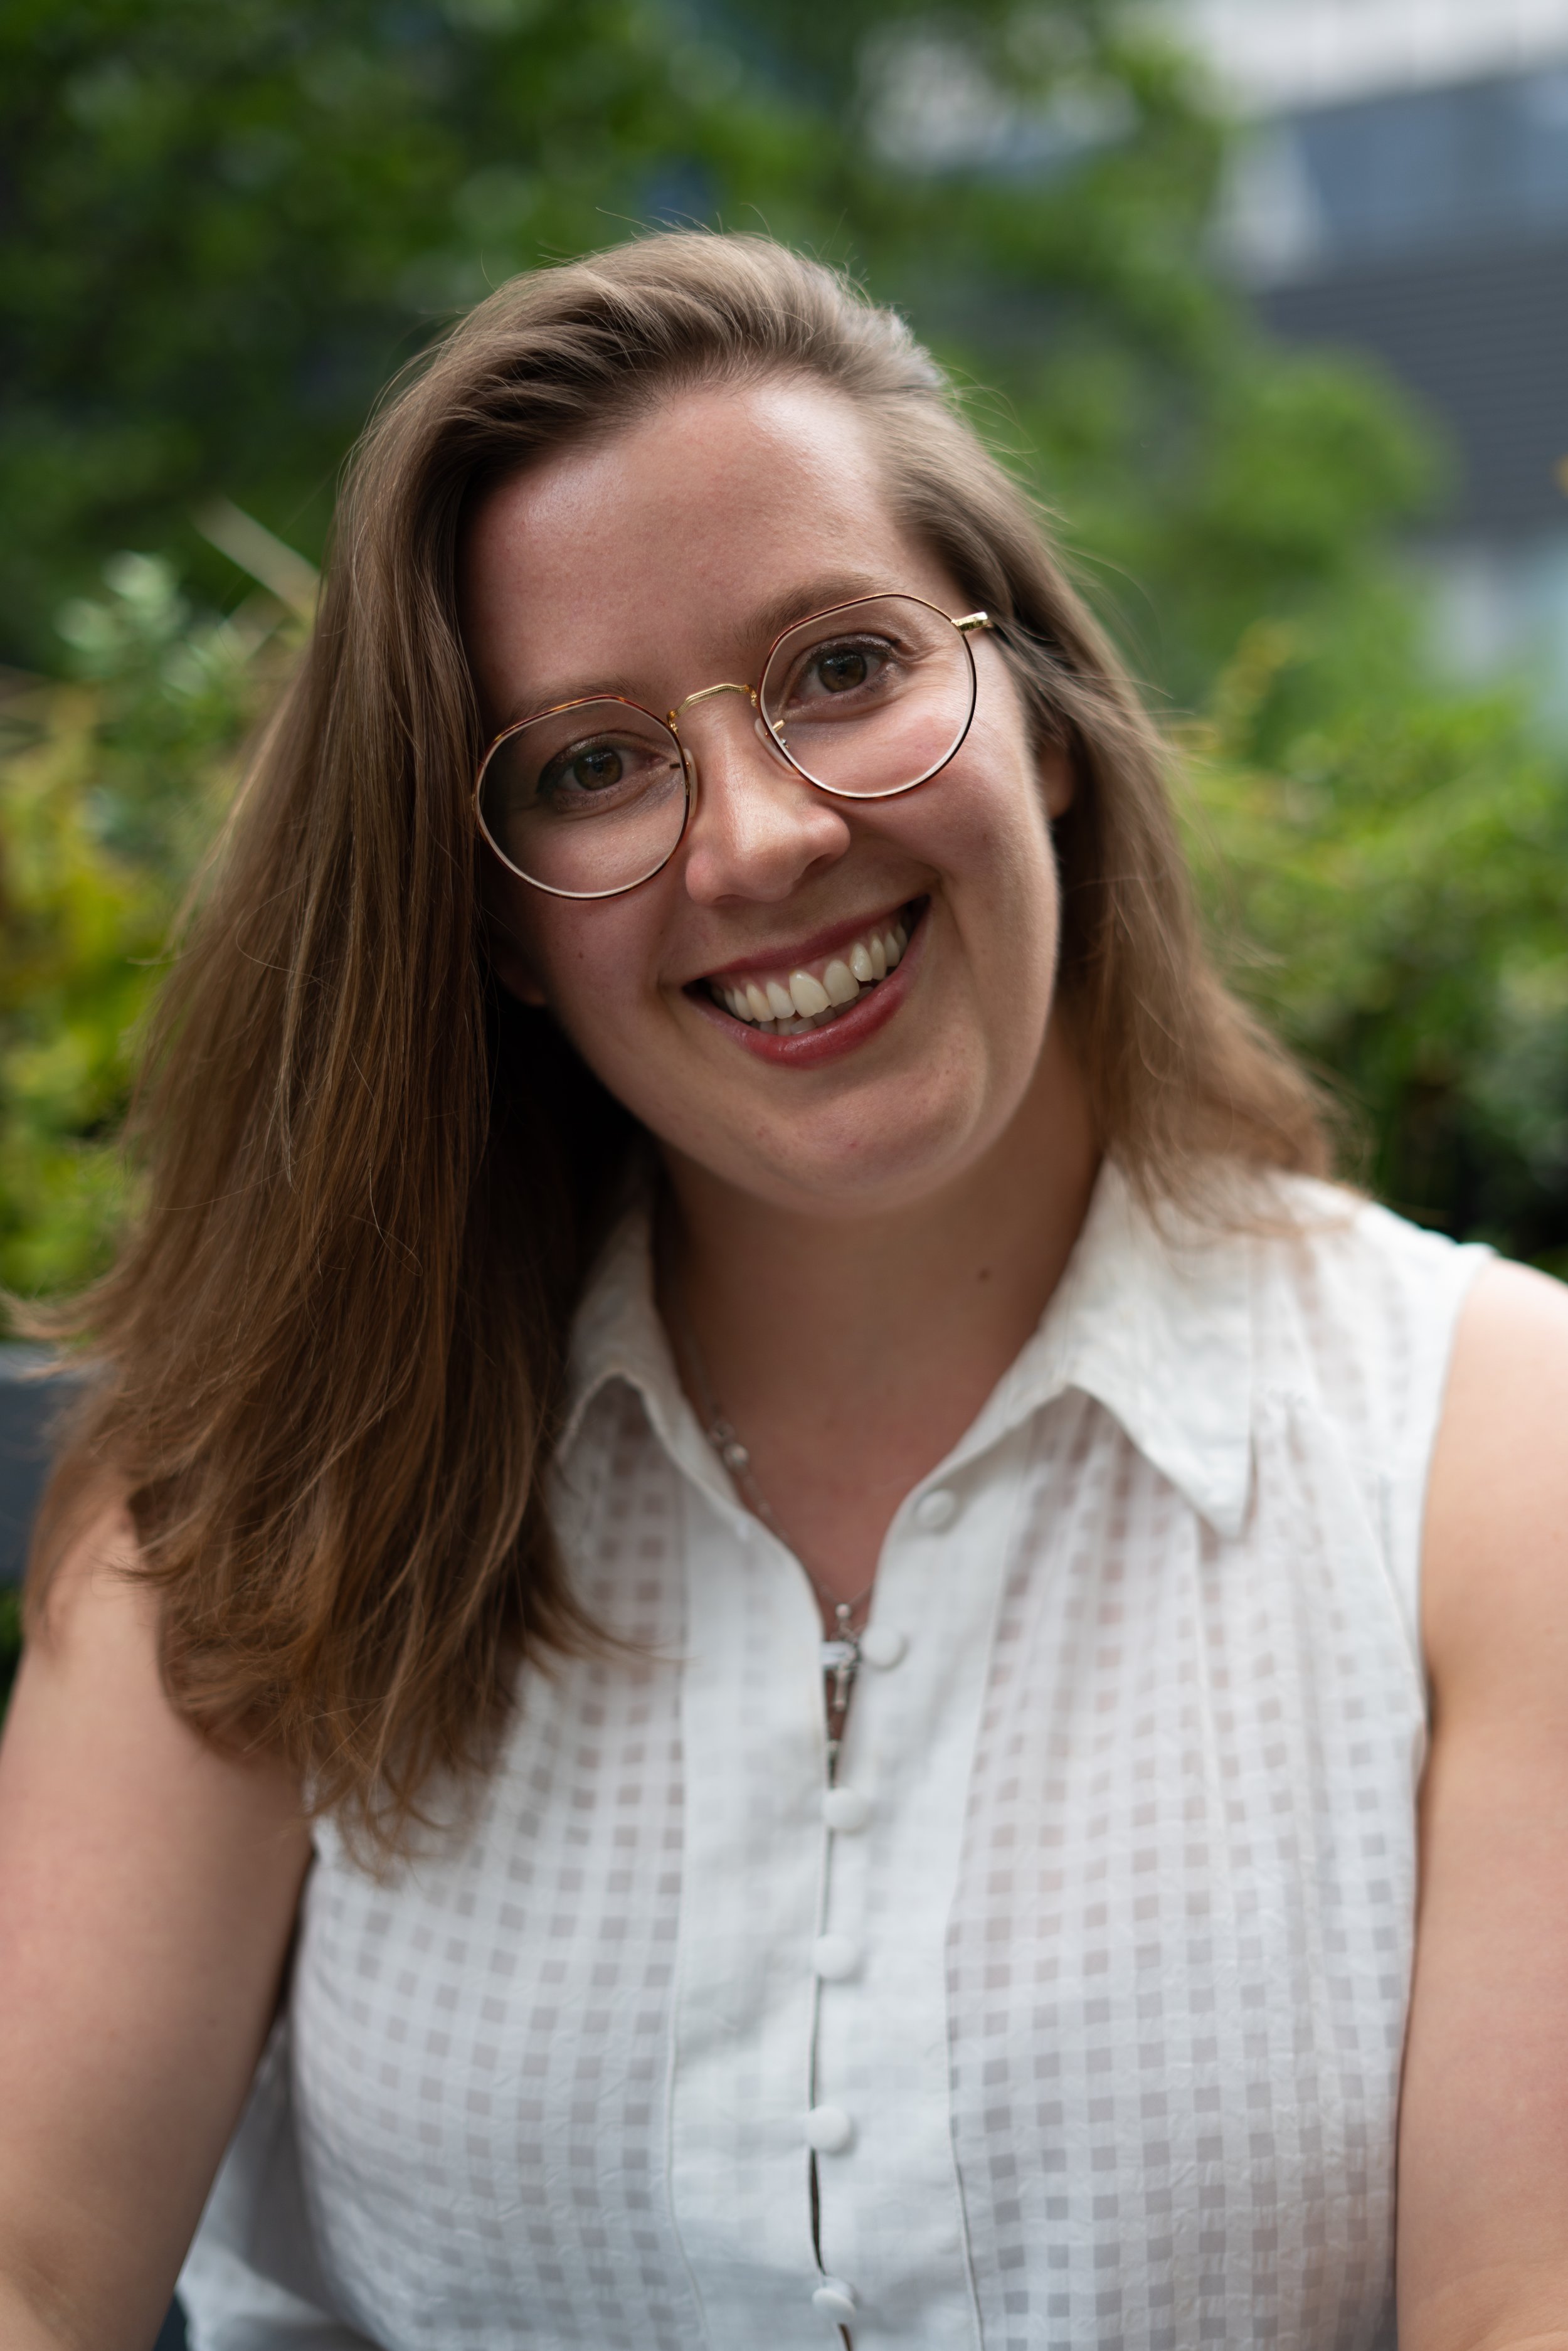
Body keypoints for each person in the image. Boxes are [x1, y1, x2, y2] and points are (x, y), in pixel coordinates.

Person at [2, 231, 1567, 2351]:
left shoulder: (1495, 1458)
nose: (752, 840)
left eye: (842, 666)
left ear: (1042, 717)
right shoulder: (265, 1482)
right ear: (491, 928)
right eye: (589, 766)